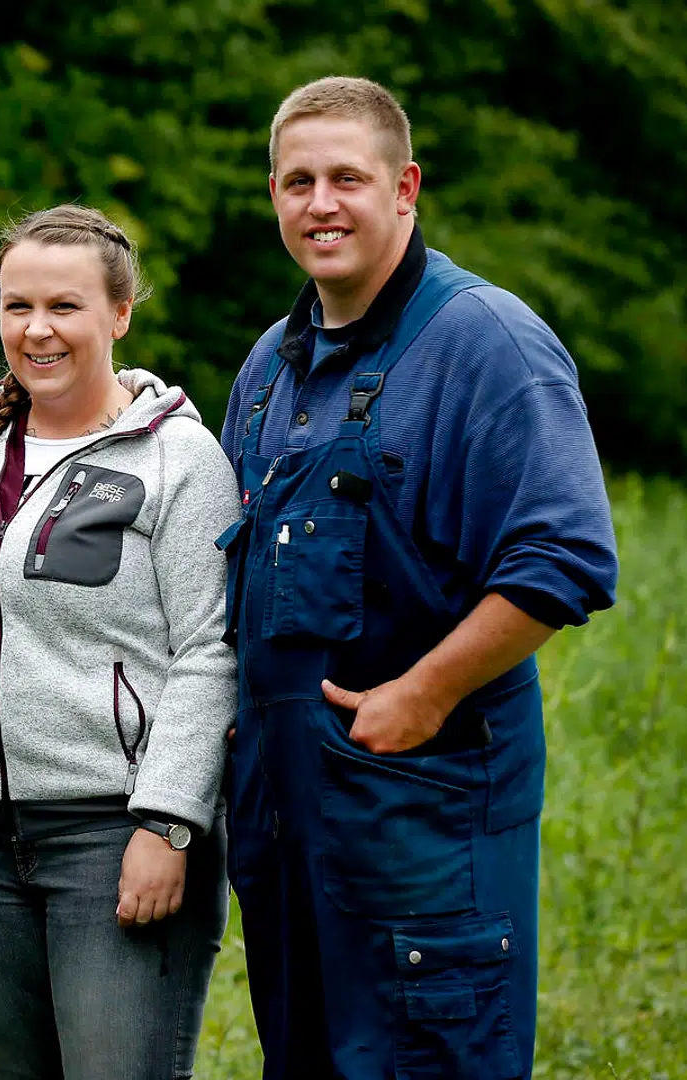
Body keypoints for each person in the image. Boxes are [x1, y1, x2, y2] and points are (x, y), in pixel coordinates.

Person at [217, 76, 619, 1079]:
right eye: (298, 181)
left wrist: (424, 693)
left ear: (405, 188)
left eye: (347, 178)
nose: (321, 204)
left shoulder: (485, 342)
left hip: (424, 820)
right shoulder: (269, 366)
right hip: (288, 825)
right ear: (272, 194)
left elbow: (564, 558)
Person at [0, 204, 239, 1080]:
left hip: (115, 831)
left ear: (120, 313)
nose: (38, 329)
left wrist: (170, 824)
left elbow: (212, 648)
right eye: (18, 306)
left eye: (65, 307)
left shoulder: (179, 459)